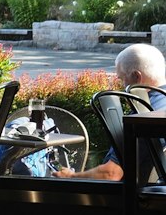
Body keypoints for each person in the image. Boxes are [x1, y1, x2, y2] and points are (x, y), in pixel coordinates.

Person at [56, 42, 166, 181]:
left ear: (137, 77)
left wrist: (72, 176)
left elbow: (112, 173)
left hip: (128, 197)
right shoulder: (161, 105)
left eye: (121, 79)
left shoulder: (144, 114)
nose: (121, 86)